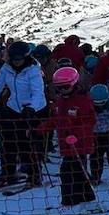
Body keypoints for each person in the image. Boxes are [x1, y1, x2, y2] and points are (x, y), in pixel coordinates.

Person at [0, 40, 47, 186]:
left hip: (33, 109)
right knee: (8, 142)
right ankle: (8, 171)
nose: (17, 62)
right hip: (13, 107)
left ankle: (34, 173)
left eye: (19, 59)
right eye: (14, 59)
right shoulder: (6, 68)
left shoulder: (33, 70)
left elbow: (38, 92)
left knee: (27, 143)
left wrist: (31, 107)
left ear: (26, 57)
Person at [41, 67, 96, 207]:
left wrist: (76, 135)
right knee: (77, 172)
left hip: (80, 144)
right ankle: (87, 198)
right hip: (66, 145)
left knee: (68, 172)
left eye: (65, 87)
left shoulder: (82, 100)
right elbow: (55, 120)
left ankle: (69, 201)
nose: (62, 90)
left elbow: (89, 121)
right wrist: (39, 130)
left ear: (74, 83)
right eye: (58, 88)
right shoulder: (60, 101)